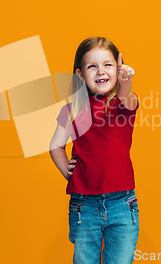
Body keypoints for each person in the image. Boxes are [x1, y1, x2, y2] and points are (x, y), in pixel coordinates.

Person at [49, 36, 140, 264]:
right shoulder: (72, 110)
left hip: (122, 202)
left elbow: (125, 95)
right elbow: (55, 146)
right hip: (84, 205)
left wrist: (125, 81)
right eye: (93, 66)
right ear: (80, 74)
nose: (101, 71)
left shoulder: (122, 104)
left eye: (108, 65)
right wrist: (66, 170)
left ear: (118, 70)